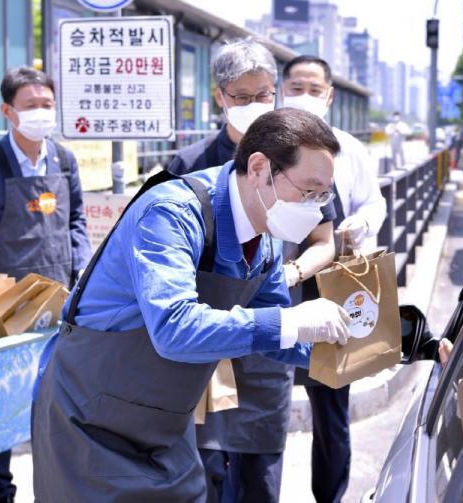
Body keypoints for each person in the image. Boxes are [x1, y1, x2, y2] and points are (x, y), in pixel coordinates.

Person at [31, 107, 353, 502]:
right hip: (90, 420)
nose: (315, 209)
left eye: (322, 195)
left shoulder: (266, 237)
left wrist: (355, 347)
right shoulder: (171, 213)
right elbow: (175, 329)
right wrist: (292, 322)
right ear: (258, 169)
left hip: (165, 422)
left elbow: (275, 336)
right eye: (307, 191)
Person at [168, 39, 337, 503]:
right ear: (219, 96)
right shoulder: (187, 169)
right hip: (205, 337)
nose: (255, 104)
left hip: (271, 328)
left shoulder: (303, 156)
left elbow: (325, 238)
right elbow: (173, 312)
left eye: (263, 94)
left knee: (260, 477)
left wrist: (290, 276)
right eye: (242, 96)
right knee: (202, 472)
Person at [0, 66, 91, 503]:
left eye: (47, 104)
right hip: (3, 310)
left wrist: (80, 268)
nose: (41, 113)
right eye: (31, 105)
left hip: (57, 304)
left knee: (54, 408)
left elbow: (76, 218)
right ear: (7, 111)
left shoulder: (64, 159)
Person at [282, 55, 387, 503]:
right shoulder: (264, 143)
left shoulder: (349, 149)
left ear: (329, 95)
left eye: (313, 89)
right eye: (296, 87)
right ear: (281, 90)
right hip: (272, 291)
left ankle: (331, 495)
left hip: (331, 291)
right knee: (258, 405)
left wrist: (360, 226)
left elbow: (374, 203)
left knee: (331, 410)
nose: (304, 96)